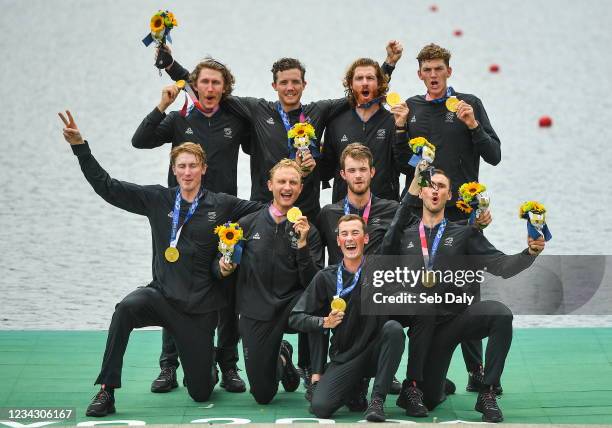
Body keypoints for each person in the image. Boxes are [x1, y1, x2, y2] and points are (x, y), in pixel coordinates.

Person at [160, 42, 403, 381]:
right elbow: (205, 87)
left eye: (296, 82)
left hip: (305, 218)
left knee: (312, 286)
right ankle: (229, 362)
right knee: (239, 285)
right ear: (274, 85)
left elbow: (362, 92)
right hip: (262, 214)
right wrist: (170, 64)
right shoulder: (258, 110)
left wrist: (387, 65)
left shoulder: (318, 112)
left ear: (304, 85)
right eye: (284, 82)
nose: (290, 88)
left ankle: (307, 366)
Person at [58, 111, 261, 417]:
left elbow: (267, 211)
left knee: (201, 391)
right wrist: (80, 148)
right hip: (162, 298)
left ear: (204, 169)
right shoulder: (158, 199)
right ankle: (106, 391)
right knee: (125, 308)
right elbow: (108, 187)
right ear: (174, 169)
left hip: (200, 310)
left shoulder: (222, 204)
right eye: (182, 166)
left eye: (194, 166)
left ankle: (209, 368)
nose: (188, 172)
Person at [380, 169, 545, 422]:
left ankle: (487, 392)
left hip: (455, 320)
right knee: (431, 399)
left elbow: (501, 266)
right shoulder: (406, 234)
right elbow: (384, 251)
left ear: (448, 196)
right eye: (431, 186)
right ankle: (430, 385)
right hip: (423, 326)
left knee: (501, 314)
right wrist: (410, 191)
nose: (435, 190)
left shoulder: (464, 233)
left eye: (442, 187)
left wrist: (530, 253)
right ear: (422, 192)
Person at [132, 59, 251, 394]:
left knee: (227, 290)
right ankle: (169, 367)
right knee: (173, 290)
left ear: (225, 89)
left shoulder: (235, 119)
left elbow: (259, 148)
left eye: (217, 83)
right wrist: (162, 105)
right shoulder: (179, 119)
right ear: (194, 86)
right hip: (180, 219)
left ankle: (228, 365)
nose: (210, 89)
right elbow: (139, 141)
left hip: (224, 217)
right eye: (205, 83)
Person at [402, 43, 502, 392]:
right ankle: (417, 373)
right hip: (420, 215)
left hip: (460, 218)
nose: (433, 75)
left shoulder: (468, 105)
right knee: (421, 295)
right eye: (427, 70)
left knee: (464, 293)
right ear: (419, 74)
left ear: (449, 71)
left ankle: (476, 370)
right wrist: (400, 130)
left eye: (438, 69)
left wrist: (473, 125)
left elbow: (495, 156)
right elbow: (401, 162)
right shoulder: (411, 109)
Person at [212, 159, 324, 404]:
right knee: (263, 395)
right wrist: (223, 266)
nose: (287, 187)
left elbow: (313, 283)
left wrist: (302, 245)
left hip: (291, 306)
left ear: (300, 188)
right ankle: (283, 358)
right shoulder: (246, 225)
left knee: (319, 307)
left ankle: (316, 379)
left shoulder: (309, 231)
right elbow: (220, 264)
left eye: (293, 182)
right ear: (270, 185)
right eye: (281, 181)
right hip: (256, 309)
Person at [289, 214, 405, 422]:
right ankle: (354, 386)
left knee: (394, 329)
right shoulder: (326, 277)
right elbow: (296, 317)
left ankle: (377, 400)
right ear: (338, 241)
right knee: (320, 407)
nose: (350, 238)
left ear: (366, 239)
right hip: (345, 356)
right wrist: (325, 321)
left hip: (375, 352)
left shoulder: (382, 272)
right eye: (344, 234)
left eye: (355, 233)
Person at [319, 57, 412, 202]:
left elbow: (408, 167)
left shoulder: (394, 121)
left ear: (380, 83)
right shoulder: (336, 123)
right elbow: (325, 172)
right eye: (359, 78)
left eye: (370, 78)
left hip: (384, 210)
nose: (365, 83)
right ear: (350, 84)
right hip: (344, 212)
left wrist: (401, 129)